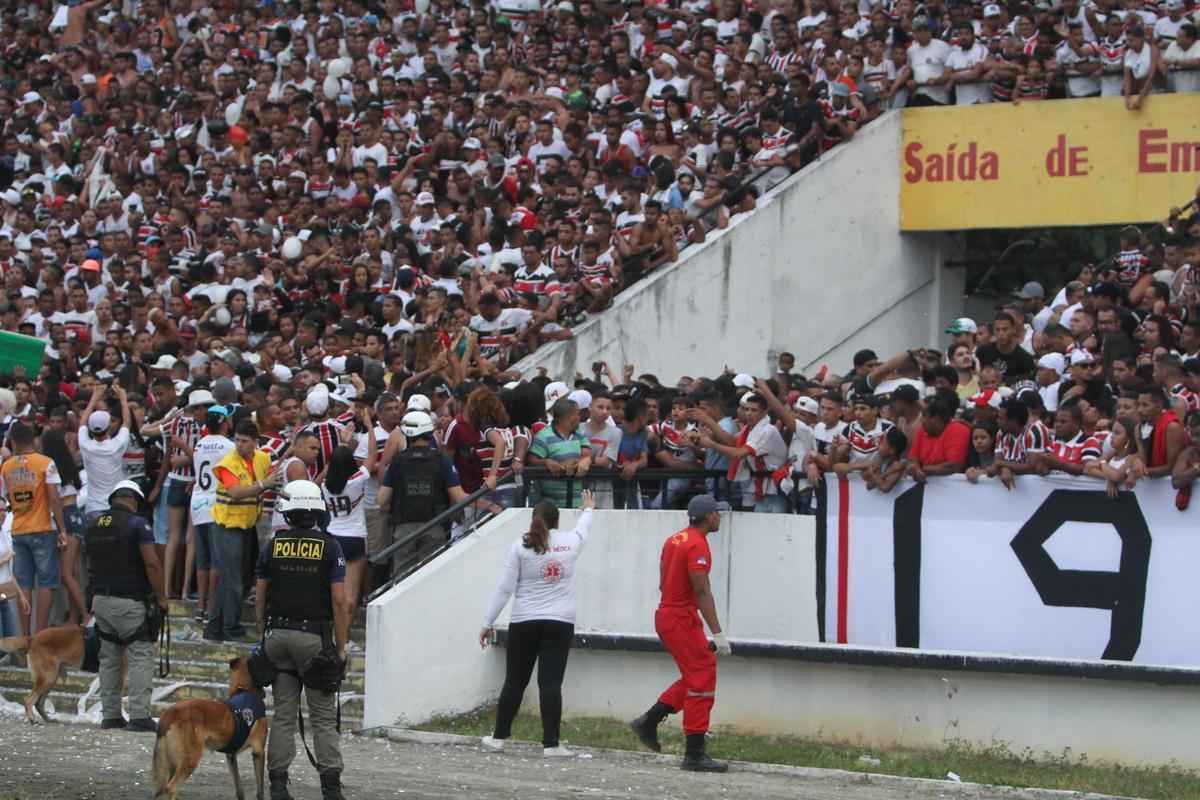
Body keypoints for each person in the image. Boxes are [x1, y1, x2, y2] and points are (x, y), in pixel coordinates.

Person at [479, 490, 596, 757]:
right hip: (560, 622)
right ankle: (552, 744)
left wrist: (487, 622)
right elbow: (583, 529)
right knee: (551, 683)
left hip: (524, 621)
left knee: (515, 681)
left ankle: (498, 738)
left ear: (533, 519)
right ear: (556, 521)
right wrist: (588, 509)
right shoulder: (570, 542)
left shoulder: (520, 546)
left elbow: (505, 588)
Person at [255, 479, 350, 800]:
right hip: (313, 640)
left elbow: (260, 596)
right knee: (322, 718)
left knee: (283, 714)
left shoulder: (273, 545)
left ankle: (278, 787)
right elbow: (340, 601)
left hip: (277, 638)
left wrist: (262, 634)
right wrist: (341, 646)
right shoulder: (330, 547)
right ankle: (331, 791)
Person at [629, 494, 731, 772]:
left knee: (697, 673)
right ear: (709, 516)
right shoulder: (698, 545)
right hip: (680, 617)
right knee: (702, 677)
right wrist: (718, 633)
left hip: (670, 614)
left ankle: (650, 721)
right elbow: (701, 590)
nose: (719, 517)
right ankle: (694, 753)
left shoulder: (676, 539)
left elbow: (667, 582)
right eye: (717, 513)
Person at [84, 480, 167, 732]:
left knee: (109, 657)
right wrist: (161, 597)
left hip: (100, 600)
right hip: (129, 602)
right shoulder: (137, 524)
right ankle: (140, 715)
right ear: (133, 499)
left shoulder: (94, 525)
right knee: (140, 654)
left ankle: (110, 715)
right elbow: (151, 563)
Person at [207, 420, 279, 642]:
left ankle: (215, 626)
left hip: (247, 526)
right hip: (227, 527)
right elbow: (237, 492)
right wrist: (262, 485)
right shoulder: (228, 463)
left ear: (255, 442)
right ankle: (230, 627)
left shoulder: (263, 459)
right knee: (233, 579)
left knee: (241, 578)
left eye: (245, 441)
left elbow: (272, 478)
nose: (239, 445)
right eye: (237, 440)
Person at [1, 422, 70, 636]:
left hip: (18, 529)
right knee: (47, 582)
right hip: (42, 528)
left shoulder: (7, 466)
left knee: (24, 584)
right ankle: (40, 634)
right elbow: (54, 498)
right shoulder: (46, 463)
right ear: (33, 440)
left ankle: (25, 636)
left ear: (13, 441)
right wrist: (62, 529)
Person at [377, 411, 468, 569]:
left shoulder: (397, 462)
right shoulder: (442, 461)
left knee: (403, 580)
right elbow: (459, 497)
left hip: (403, 530)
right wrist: (487, 502)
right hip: (435, 526)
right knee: (430, 577)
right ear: (429, 432)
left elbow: (381, 500)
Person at [321, 408, 377, 618]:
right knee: (351, 595)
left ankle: (333, 634)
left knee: (334, 592)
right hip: (354, 538)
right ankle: (343, 639)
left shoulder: (326, 485)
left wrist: (343, 444)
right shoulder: (356, 481)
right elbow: (372, 455)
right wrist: (370, 426)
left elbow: (334, 463)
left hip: (332, 537)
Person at [191, 406, 237, 626]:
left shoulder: (199, 444)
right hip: (216, 504)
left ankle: (200, 606)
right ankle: (211, 609)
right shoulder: (229, 446)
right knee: (216, 562)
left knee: (203, 561)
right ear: (224, 422)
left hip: (197, 503)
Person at [78, 385, 133, 514]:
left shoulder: (85, 445)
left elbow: (82, 423)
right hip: (115, 508)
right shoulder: (116, 446)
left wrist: (94, 398)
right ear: (109, 426)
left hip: (93, 508)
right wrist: (123, 399)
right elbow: (126, 423)